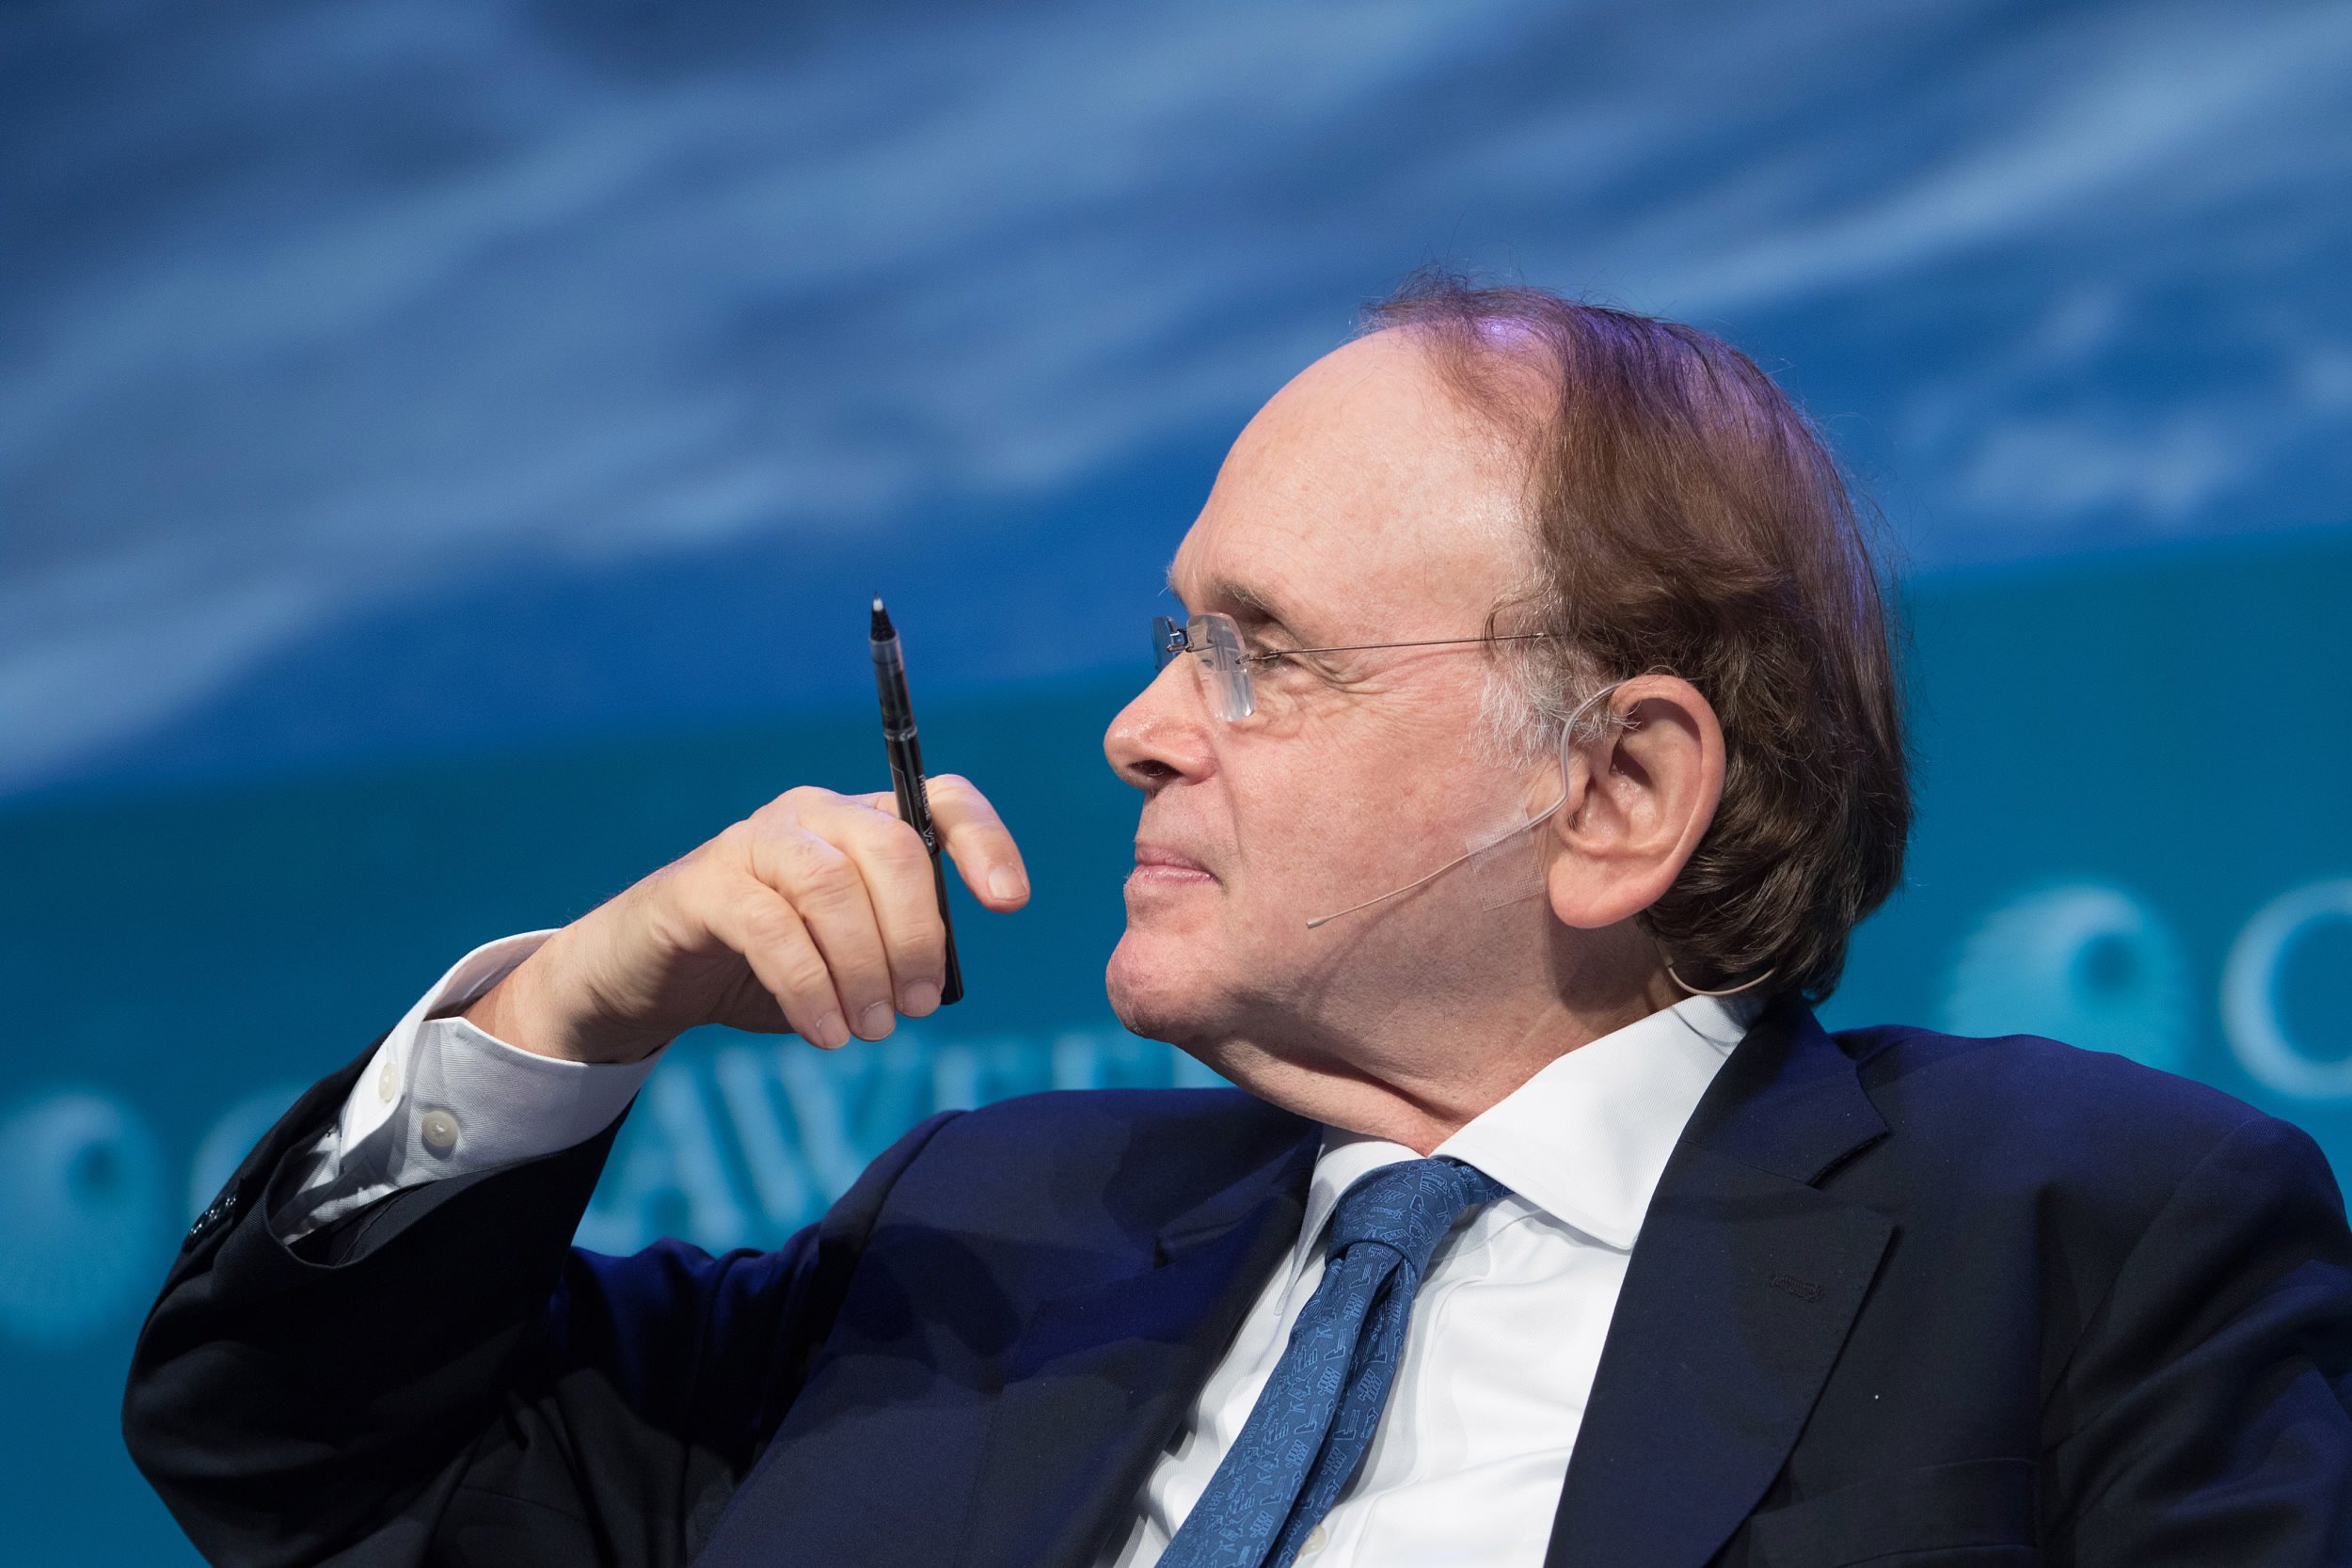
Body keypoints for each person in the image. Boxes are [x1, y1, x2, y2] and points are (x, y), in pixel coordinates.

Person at [125, 278, 2352, 1568]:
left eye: (1256, 658)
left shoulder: (2074, 1241)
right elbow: (300, 1463)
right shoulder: (981, 1239)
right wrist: (568, 1013)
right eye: (1172, 642)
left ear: (1616, 794)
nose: (1133, 733)